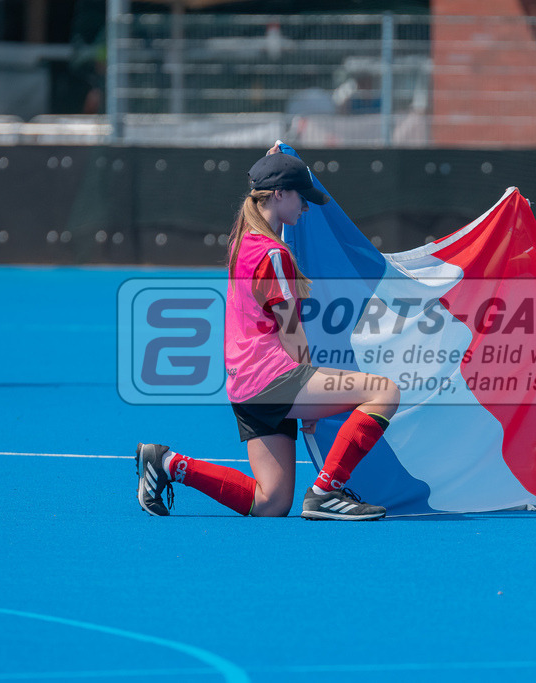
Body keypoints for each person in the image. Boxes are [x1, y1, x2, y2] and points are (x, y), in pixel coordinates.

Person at [136, 150, 401, 520]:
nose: (305, 207)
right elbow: (291, 333)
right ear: (279, 194)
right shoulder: (273, 255)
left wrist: (275, 159)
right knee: (385, 391)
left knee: (270, 504)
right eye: (301, 196)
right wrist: (309, 393)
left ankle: (167, 463)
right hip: (274, 381)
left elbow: (258, 192)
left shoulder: (241, 242)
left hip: (245, 386)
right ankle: (326, 491)